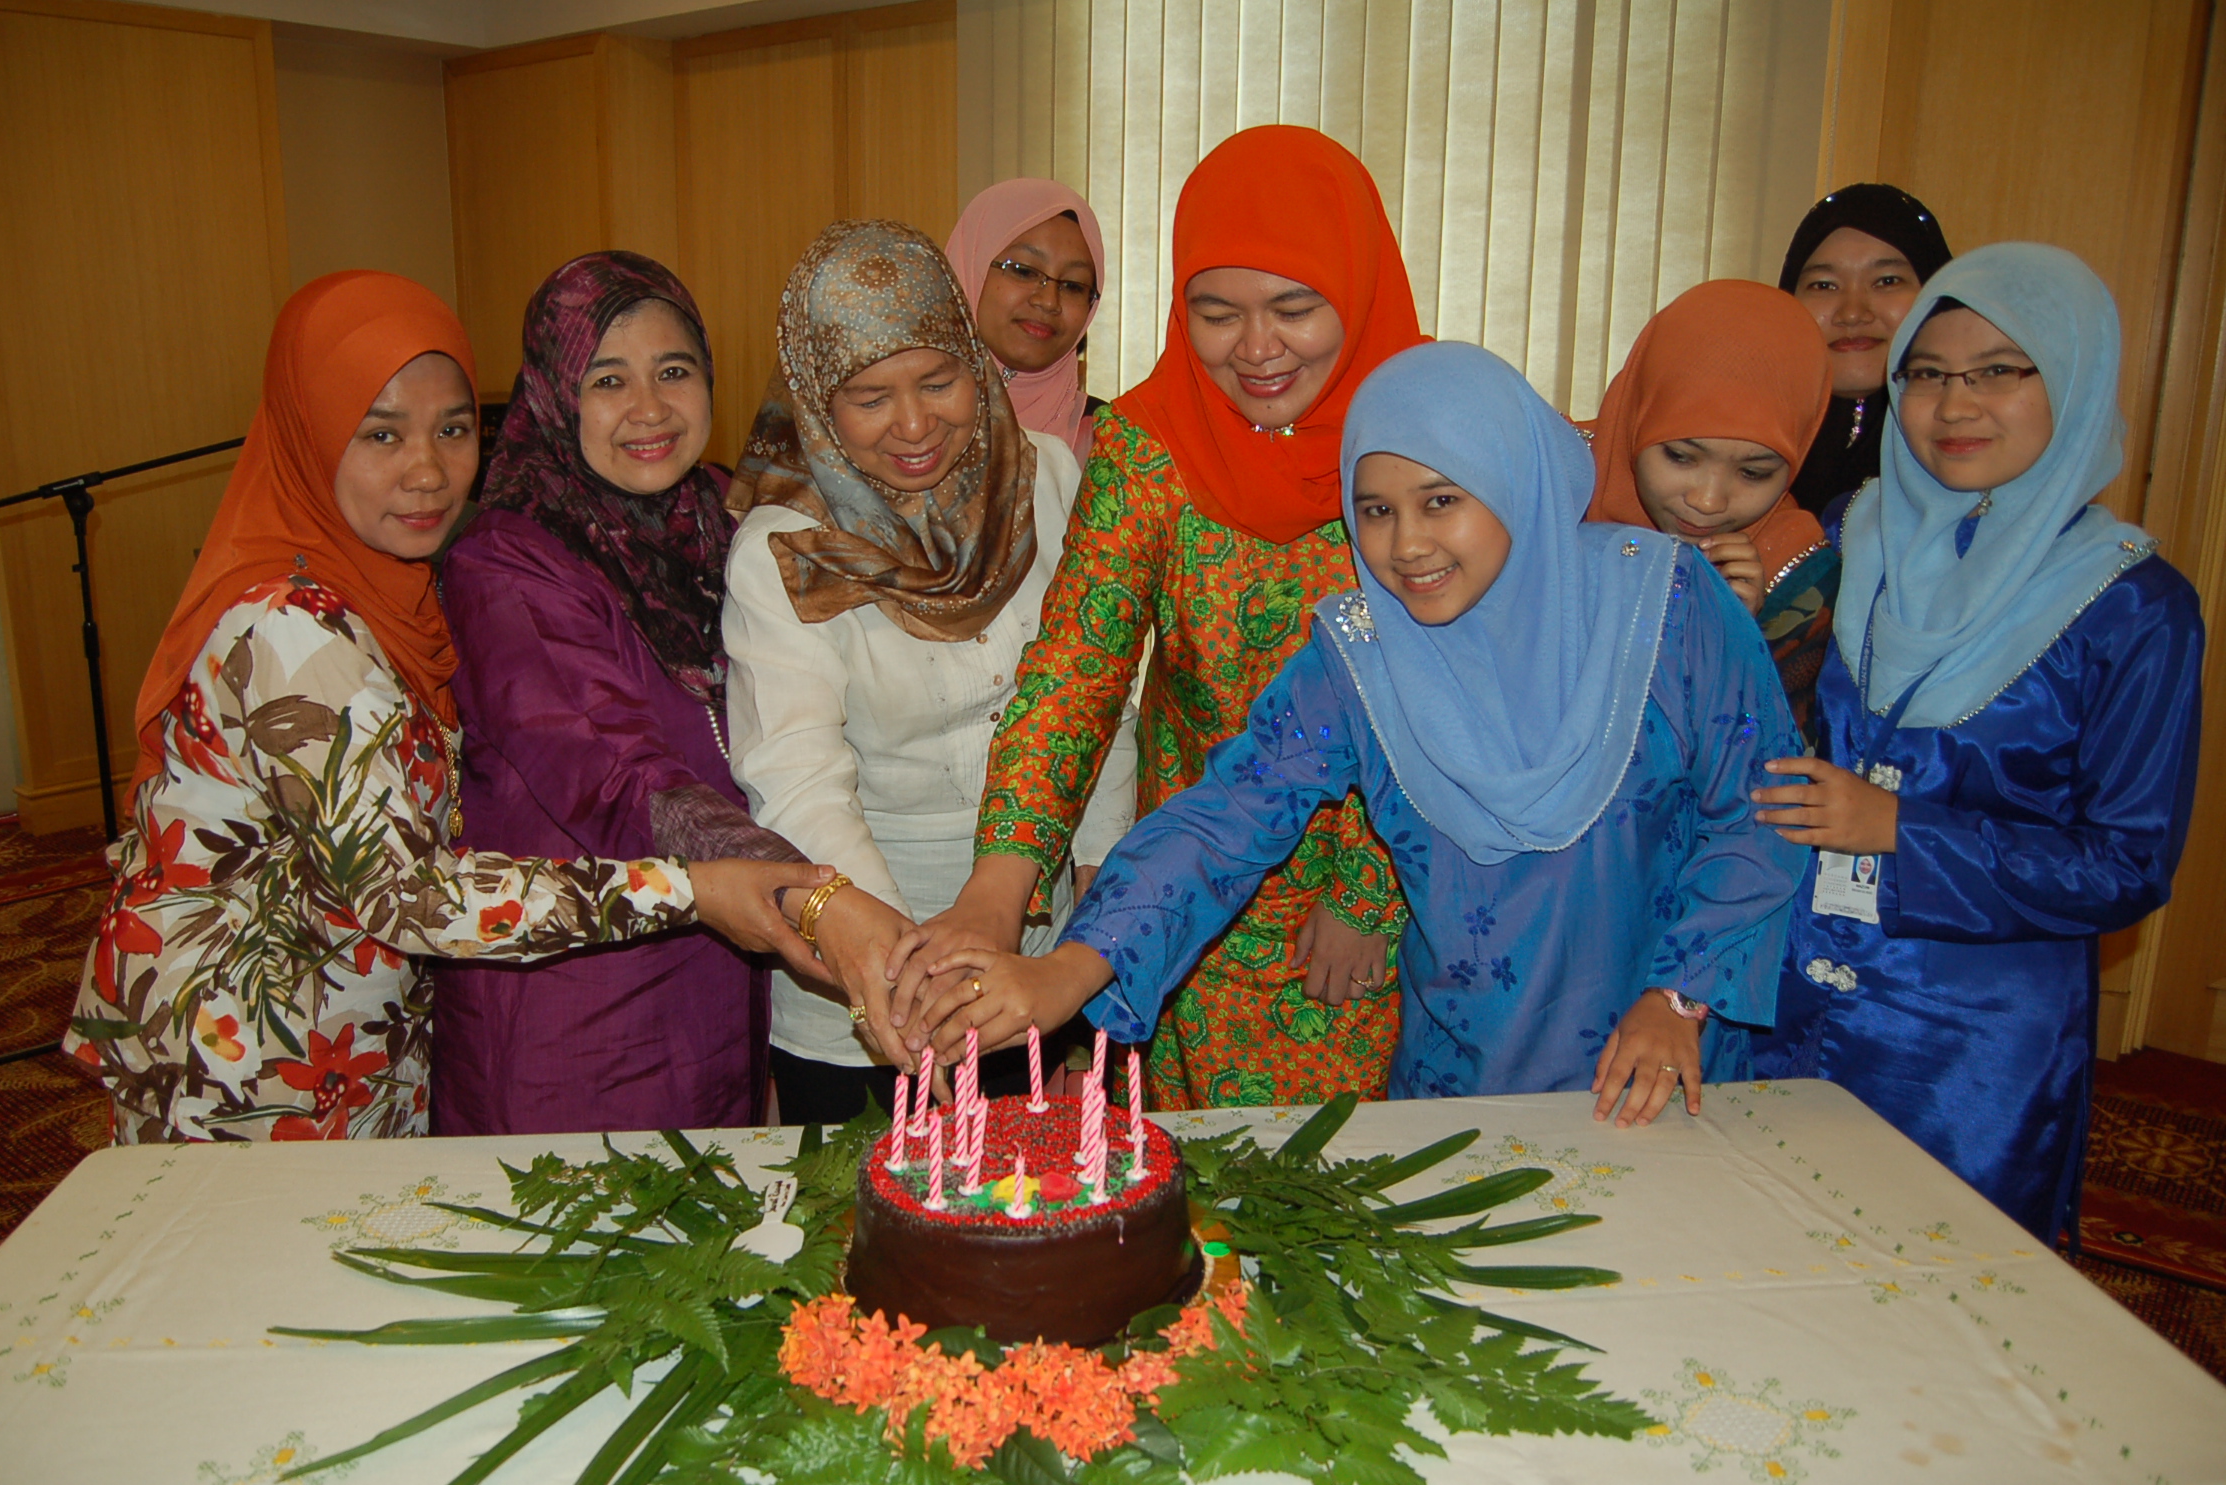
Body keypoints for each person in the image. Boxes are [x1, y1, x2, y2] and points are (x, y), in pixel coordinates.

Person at [904, 341, 1810, 1123]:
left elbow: (1762, 811)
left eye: (1441, 501)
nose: (1406, 545)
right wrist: (1071, 969)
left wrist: (1678, 997)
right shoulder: (1363, 658)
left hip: (1653, 1065)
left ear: (1514, 480)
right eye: (1375, 510)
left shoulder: (1666, 606)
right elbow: (1225, 817)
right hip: (1458, 1080)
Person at [65, 271, 830, 1144]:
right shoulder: (289, 630)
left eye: (454, 429)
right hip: (248, 1062)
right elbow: (410, 894)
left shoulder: (386, 592)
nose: (428, 471)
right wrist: (693, 889)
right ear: (312, 435)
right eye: (381, 434)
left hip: (355, 1033)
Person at [890, 125, 1423, 1111]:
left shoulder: (1424, 442)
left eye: (1293, 309)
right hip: (1182, 896)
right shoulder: (1150, 445)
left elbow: (1456, 680)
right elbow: (1075, 671)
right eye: (1216, 313)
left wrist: (1370, 892)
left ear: (1356, 290)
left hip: (1383, 895)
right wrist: (997, 889)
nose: (1255, 349)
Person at [1752, 244, 2206, 1245]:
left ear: (2072, 381)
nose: (1955, 405)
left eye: (2000, 370)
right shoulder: (1847, 536)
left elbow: (2125, 864)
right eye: (1927, 373)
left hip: (1971, 1045)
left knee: (1941, 1288)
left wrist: (1902, 830)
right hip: (1789, 985)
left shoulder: (2134, 607)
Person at [723, 220, 1135, 1125]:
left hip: (1032, 955)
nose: (914, 426)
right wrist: (909, 968)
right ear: (815, 401)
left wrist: (1098, 882)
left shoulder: (1046, 478)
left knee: (1034, 1192)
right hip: (863, 974)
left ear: (974, 363)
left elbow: (1097, 694)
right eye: (870, 398)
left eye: (940, 382)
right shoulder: (786, 550)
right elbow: (797, 776)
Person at [433, 252, 819, 1135]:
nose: (650, 409)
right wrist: (811, 898)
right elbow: (614, 774)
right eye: (608, 380)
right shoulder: (506, 564)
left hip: (723, 976)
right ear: (554, 395)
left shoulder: (725, 518)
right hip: (577, 1002)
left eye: (673, 372)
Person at [1583, 279, 1836, 735]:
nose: (1707, 501)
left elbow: (1766, 758)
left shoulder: (1795, 573)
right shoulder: (1548, 487)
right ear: (1638, 415)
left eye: (1754, 473)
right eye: (1680, 456)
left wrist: (1733, 637)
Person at [1779, 183, 1953, 515]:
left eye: (1887, 281)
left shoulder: (1975, 438)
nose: (1852, 313)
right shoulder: (1742, 437)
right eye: (1824, 285)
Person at [946, 179, 1107, 463]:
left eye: (1073, 285)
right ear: (970, 267)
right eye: (1023, 271)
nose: (1048, 301)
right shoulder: (900, 421)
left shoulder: (1109, 445)